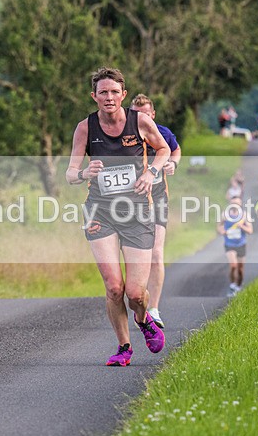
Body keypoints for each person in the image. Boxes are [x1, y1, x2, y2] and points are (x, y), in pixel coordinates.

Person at [66, 67, 168, 367]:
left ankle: (143, 318)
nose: (108, 97)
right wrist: (84, 172)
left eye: (114, 92)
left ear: (123, 95)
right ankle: (124, 347)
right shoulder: (85, 128)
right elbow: (70, 173)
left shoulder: (140, 122)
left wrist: (151, 172)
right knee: (114, 287)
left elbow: (163, 149)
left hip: (136, 212)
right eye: (103, 92)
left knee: (135, 293)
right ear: (94, 96)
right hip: (100, 211)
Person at [129, 93, 182, 329]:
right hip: (130, 202)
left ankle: (154, 309)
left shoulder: (162, 133)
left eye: (145, 115)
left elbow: (175, 150)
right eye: (136, 115)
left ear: (153, 115)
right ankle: (138, 300)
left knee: (156, 254)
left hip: (158, 198)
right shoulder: (124, 136)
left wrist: (173, 163)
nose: (141, 119)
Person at [217, 196, 253, 297]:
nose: (235, 205)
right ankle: (232, 286)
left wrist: (241, 226)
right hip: (229, 244)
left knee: (240, 269)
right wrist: (222, 231)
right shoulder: (225, 214)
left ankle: (238, 286)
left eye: (237, 203)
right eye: (233, 203)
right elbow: (219, 226)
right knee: (233, 265)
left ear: (240, 204)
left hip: (241, 244)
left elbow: (250, 230)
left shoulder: (245, 215)